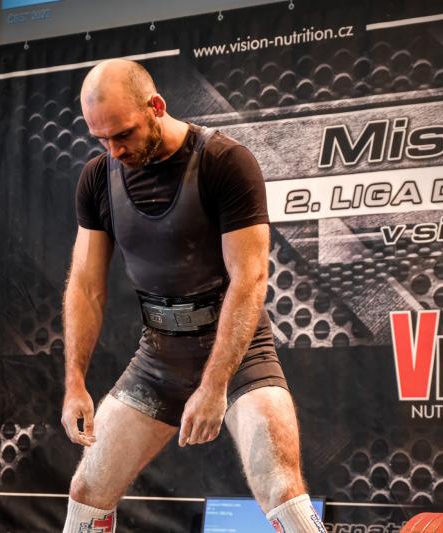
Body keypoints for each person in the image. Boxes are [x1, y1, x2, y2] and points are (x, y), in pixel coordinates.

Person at [60, 59, 326, 532]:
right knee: (86, 494)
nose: (114, 150)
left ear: (156, 107)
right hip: (159, 360)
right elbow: (85, 285)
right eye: (101, 139)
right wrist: (75, 382)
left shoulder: (225, 162)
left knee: (282, 490)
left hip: (240, 358)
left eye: (123, 134)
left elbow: (249, 279)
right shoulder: (98, 178)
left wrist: (215, 384)